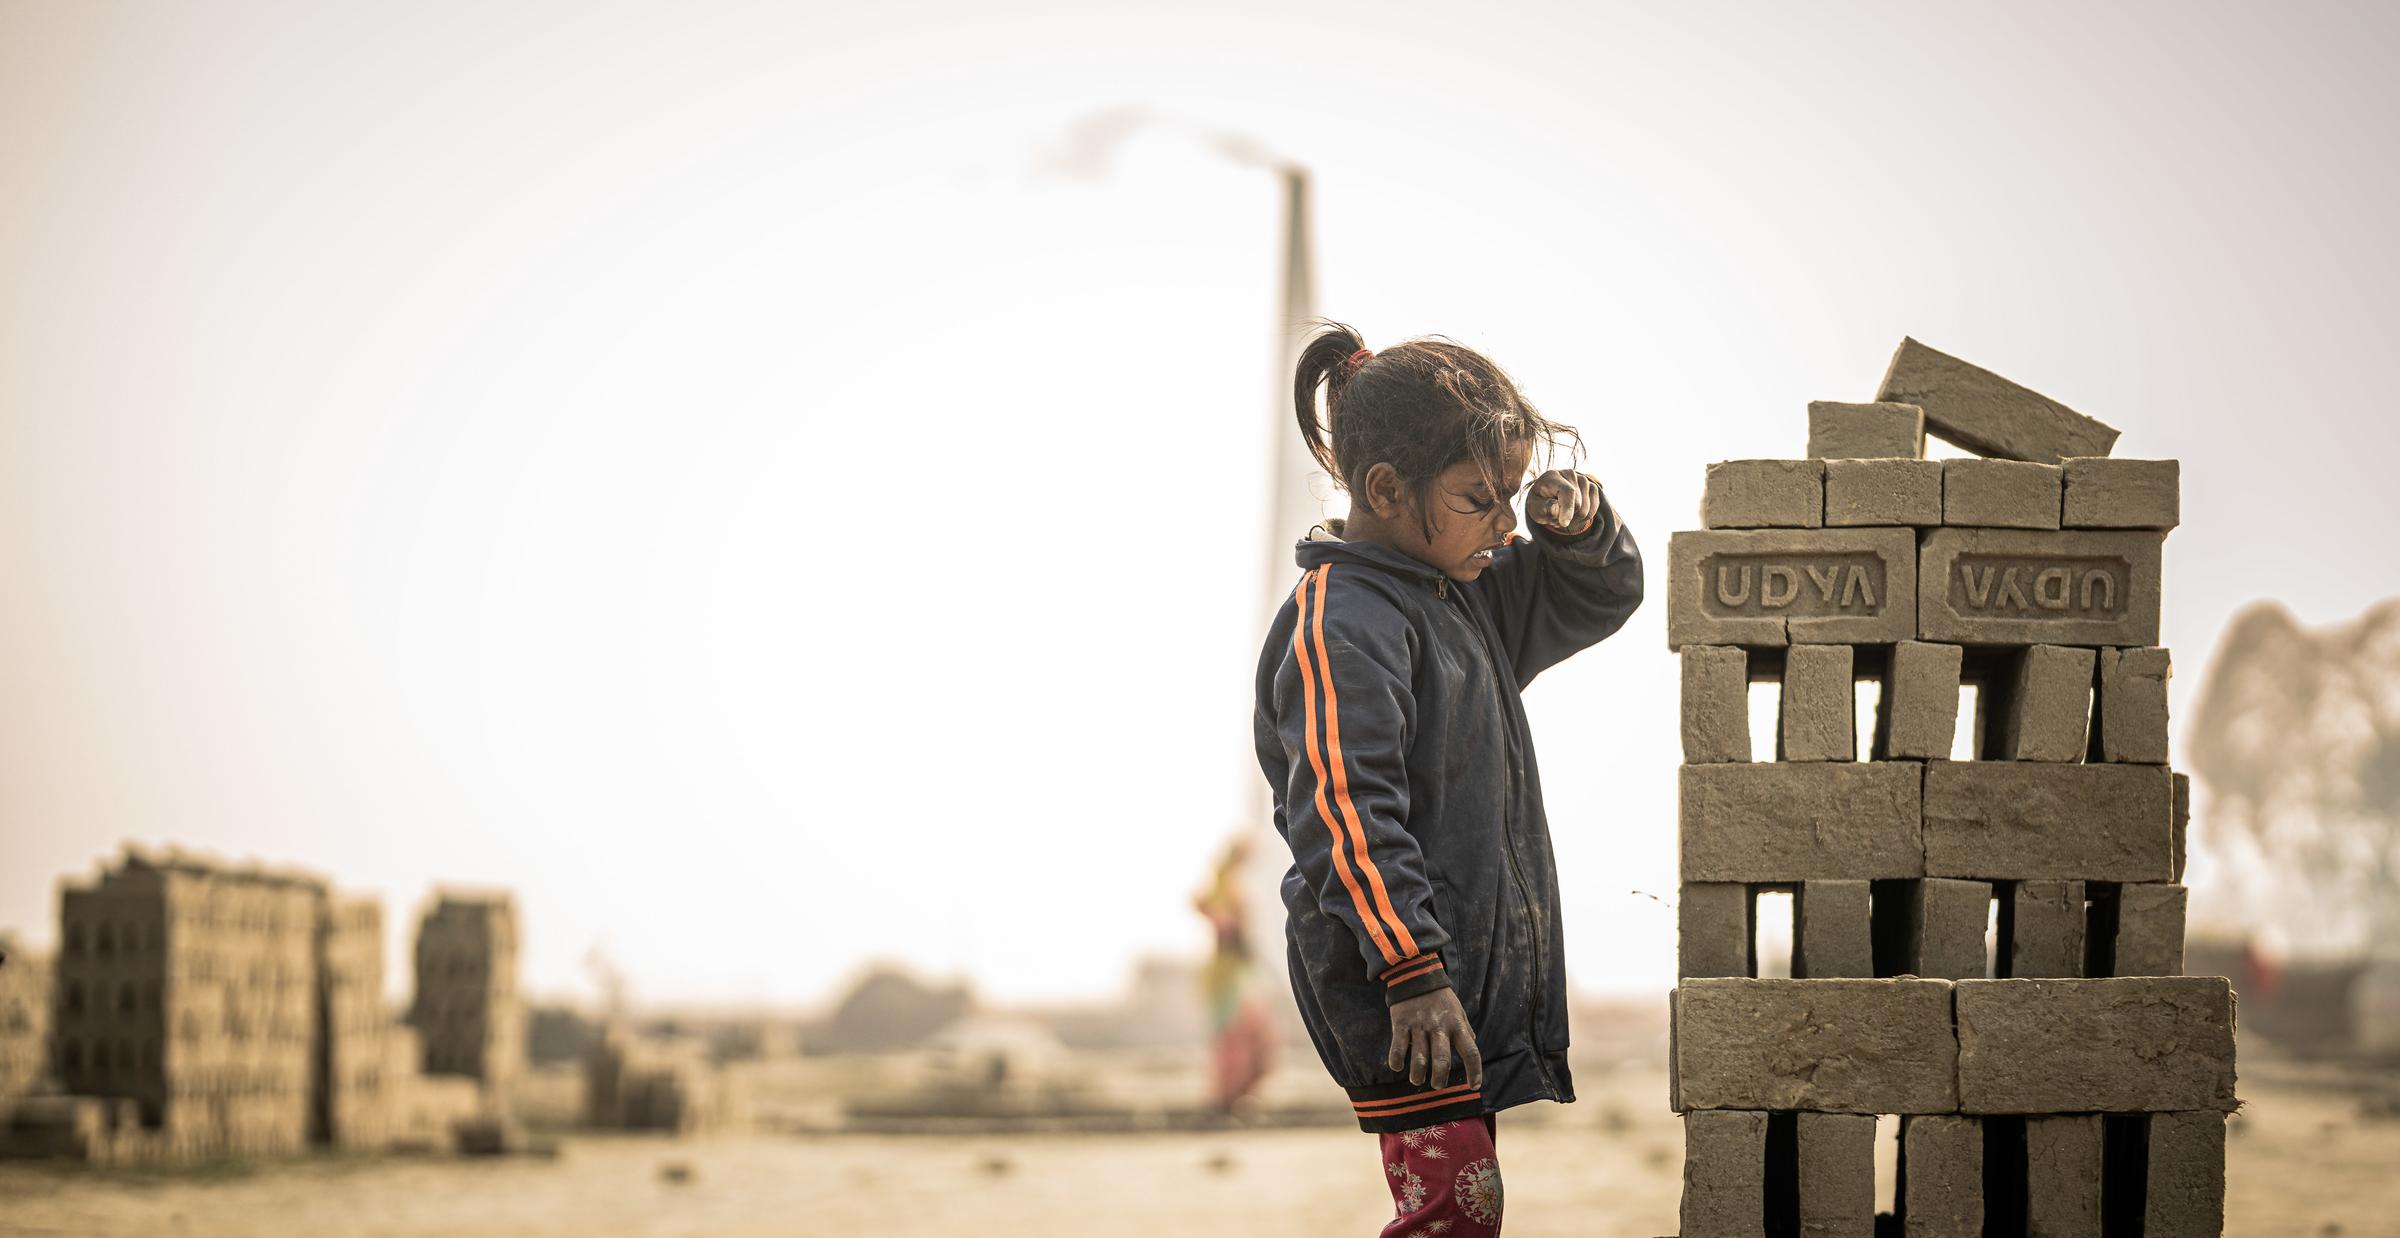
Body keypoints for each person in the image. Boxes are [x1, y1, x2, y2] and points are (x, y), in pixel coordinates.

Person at [1253, 322, 1643, 1236]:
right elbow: (1346, 812)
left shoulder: (1465, 592)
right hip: (1403, 988)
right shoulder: (1339, 623)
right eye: (1481, 498)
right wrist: (1413, 971)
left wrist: (1577, 531)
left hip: (1451, 985)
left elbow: (1599, 596)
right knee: (1453, 1215)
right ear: (1386, 490)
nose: (1506, 524)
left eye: (1512, 496)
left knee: (1464, 1211)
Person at [1192, 834, 1275, 1115]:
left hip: (1237, 971)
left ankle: (1236, 1097)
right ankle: (1228, 1099)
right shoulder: (1227, 885)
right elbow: (1216, 916)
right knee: (1236, 1039)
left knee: (1250, 1037)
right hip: (1229, 974)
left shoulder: (1233, 884)